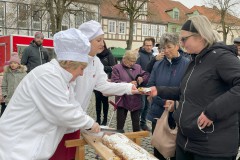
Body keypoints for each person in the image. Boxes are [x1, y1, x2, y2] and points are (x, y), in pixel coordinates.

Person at [149, 15, 240, 160]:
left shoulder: (222, 57)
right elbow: (185, 91)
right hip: (187, 142)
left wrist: (212, 112)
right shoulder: (196, 60)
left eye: (184, 39)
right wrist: (159, 90)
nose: (182, 43)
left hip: (211, 148)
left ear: (201, 36)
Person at [0, 28, 100, 160]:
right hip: (17, 150)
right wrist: (90, 124)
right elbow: (62, 112)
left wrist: (91, 123)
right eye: (81, 68)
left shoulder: (62, 78)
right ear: (69, 63)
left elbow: (73, 105)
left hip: (29, 150)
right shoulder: (48, 76)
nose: (81, 73)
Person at [50, 20, 138, 160]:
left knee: (71, 154)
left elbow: (103, 85)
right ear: (86, 41)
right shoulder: (73, 62)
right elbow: (66, 99)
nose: (102, 43)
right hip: (63, 121)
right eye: (99, 40)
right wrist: (88, 123)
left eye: (102, 39)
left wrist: (128, 88)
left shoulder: (96, 61)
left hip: (77, 121)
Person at [146, 33, 190, 160]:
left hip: (178, 115)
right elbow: (150, 86)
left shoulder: (187, 65)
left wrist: (174, 104)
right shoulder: (157, 65)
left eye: (169, 47)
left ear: (177, 46)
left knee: (176, 152)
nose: (166, 50)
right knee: (159, 150)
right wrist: (162, 102)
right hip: (158, 113)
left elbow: (188, 90)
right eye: (163, 48)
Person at [111, 51, 149, 132]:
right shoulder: (117, 68)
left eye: (134, 61)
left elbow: (146, 75)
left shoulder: (138, 67)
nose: (132, 63)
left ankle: (136, 141)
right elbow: (114, 82)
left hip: (135, 99)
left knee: (136, 125)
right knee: (120, 125)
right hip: (122, 99)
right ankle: (119, 141)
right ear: (124, 59)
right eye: (131, 61)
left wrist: (142, 79)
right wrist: (128, 84)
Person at [94, 40, 116, 125]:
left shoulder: (109, 54)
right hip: (96, 82)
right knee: (97, 101)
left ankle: (105, 119)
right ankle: (98, 118)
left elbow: (113, 68)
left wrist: (102, 68)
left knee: (105, 101)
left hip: (106, 81)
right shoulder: (96, 55)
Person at [136, 37, 155, 131]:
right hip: (141, 84)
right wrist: (138, 78)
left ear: (152, 46)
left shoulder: (153, 56)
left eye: (150, 45)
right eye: (146, 45)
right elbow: (136, 69)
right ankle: (136, 122)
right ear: (143, 45)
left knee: (148, 106)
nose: (148, 47)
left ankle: (143, 123)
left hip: (150, 84)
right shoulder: (139, 55)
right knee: (142, 105)